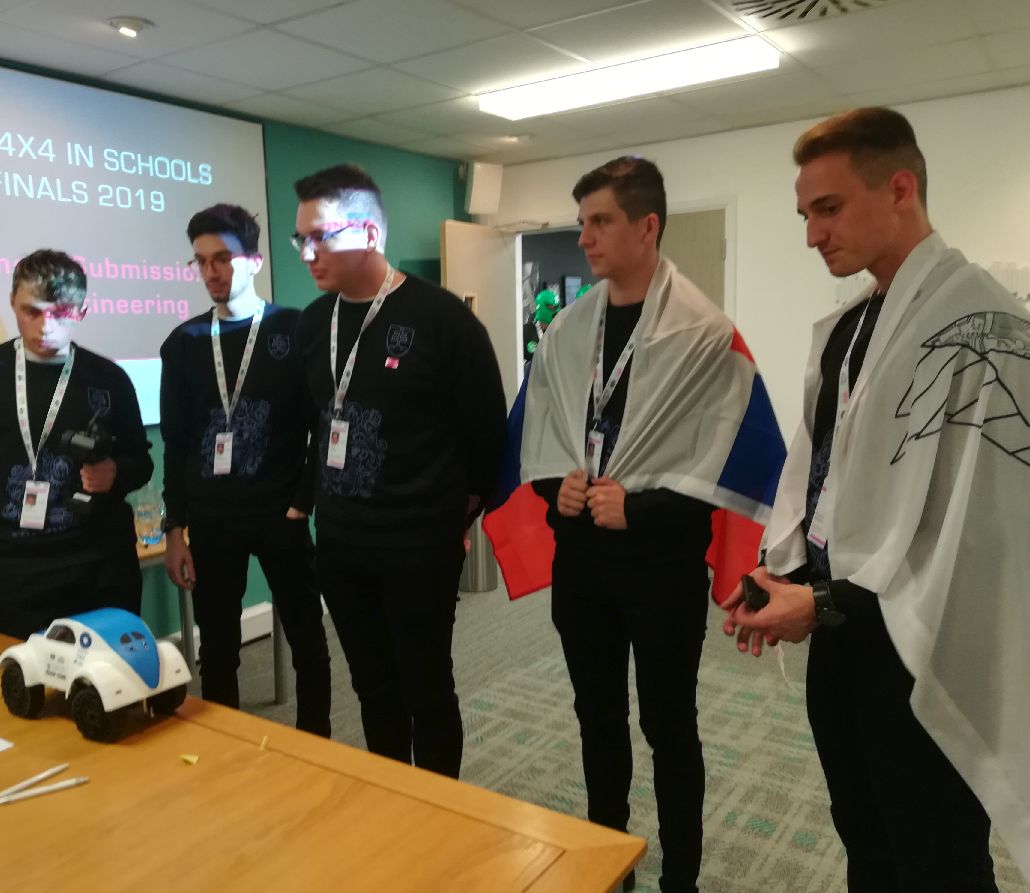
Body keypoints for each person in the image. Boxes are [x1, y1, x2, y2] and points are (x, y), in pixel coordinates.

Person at [723, 107, 1030, 889]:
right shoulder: (851, 327)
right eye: (804, 214)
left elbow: (979, 536)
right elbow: (829, 476)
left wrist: (824, 603)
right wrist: (784, 574)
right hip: (843, 635)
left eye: (827, 208)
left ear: (900, 188)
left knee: (938, 859)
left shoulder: (986, 327)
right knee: (865, 836)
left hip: (927, 648)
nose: (812, 235)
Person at [521, 156, 783, 893]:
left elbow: (726, 465)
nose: (584, 237)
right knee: (597, 718)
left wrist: (636, 507)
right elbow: (542, 437)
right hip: (583, 565)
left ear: (647, 226)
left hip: (661, 570)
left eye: (600, 221)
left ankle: (681, 880)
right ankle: (612, 865)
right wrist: (558, 489)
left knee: (669, 726)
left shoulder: (703, 334)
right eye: (582, 222)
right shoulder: (569, 330)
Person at [291, 163, 506, 778]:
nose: (308, 252)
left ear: (368, 233)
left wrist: (454, 516)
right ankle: (391, 803)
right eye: (301, 238)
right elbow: (318, 423)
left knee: (426, 689)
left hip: (418, 545)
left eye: (321, 236)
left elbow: (487, 435)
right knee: (372, 689)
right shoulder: (314, 323)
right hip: (341, 545)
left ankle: (438, 814)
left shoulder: (443, 321)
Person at [159, 204, 331, 735]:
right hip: (212, 521)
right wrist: (174, 528)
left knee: (306, 637)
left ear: (253, 261)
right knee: (218, 647)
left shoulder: (295, 329)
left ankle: (315, 740)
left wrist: (303, 500)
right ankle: (225, 744)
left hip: (281, 514)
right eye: (201, 261)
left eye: (223, 259)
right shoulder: (183, 344)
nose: (211, 272)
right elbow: (177, 443)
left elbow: (324, 423)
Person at [0, 249, 152, 648]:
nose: (46, 326)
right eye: (32, 311)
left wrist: (116, 472)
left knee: (114, 678)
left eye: (60, 312)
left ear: (81, 312)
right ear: (12, 303)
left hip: (105, 568)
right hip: (22, 574)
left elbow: (141, 462)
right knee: (33, 682)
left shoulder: (109, 378)